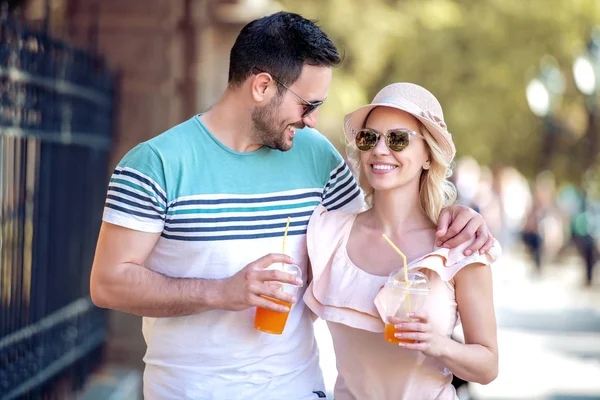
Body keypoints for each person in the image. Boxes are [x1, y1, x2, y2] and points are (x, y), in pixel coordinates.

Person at [90, 12, 495, 400]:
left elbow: (382, 223)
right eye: (309, 105)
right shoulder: (155, 164)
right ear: (263, 86)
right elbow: (108, 284)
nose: (315, 122)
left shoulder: (317, 158)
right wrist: (222, 292)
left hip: (297, 389)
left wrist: (455, 215)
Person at [304, 83, 500, 399]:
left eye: (398, 139)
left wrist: (439, 344)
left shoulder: (458, 246)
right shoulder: (329, 234)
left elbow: (488, 366)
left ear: (427, 156)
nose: (380, 150)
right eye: (369, 138)